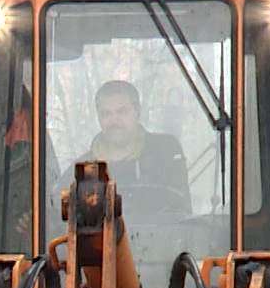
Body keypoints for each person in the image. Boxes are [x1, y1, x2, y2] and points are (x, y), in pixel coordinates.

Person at [79, 80, 190, 215]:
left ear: (137, 111)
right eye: (106, 114)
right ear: (98, 117)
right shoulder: (82, 170)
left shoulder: (166, 154)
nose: (114, 121)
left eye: (121, 112)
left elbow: (183, 215)